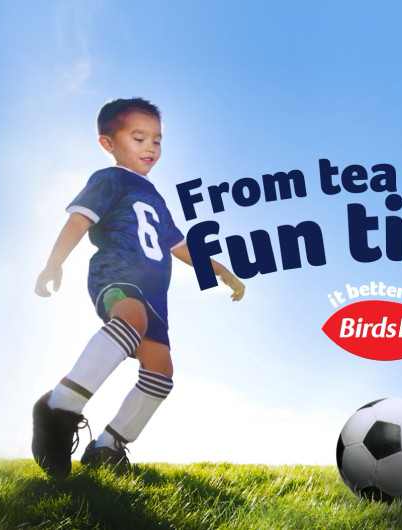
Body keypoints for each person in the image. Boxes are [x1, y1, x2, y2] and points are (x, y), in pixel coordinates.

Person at [32, 98, 245, 478]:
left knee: (161, 371)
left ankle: (108, 447)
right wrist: (54, 262)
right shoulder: (108, 179)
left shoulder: (155, 198)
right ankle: (58, 409)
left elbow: (180, 247)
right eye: (139, 137)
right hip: (116, 272)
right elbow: (79, 221)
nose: (151, 147)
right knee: (129, 317)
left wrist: (221, 271)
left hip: (154, 293)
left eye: (157, 140)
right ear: (108, 143)